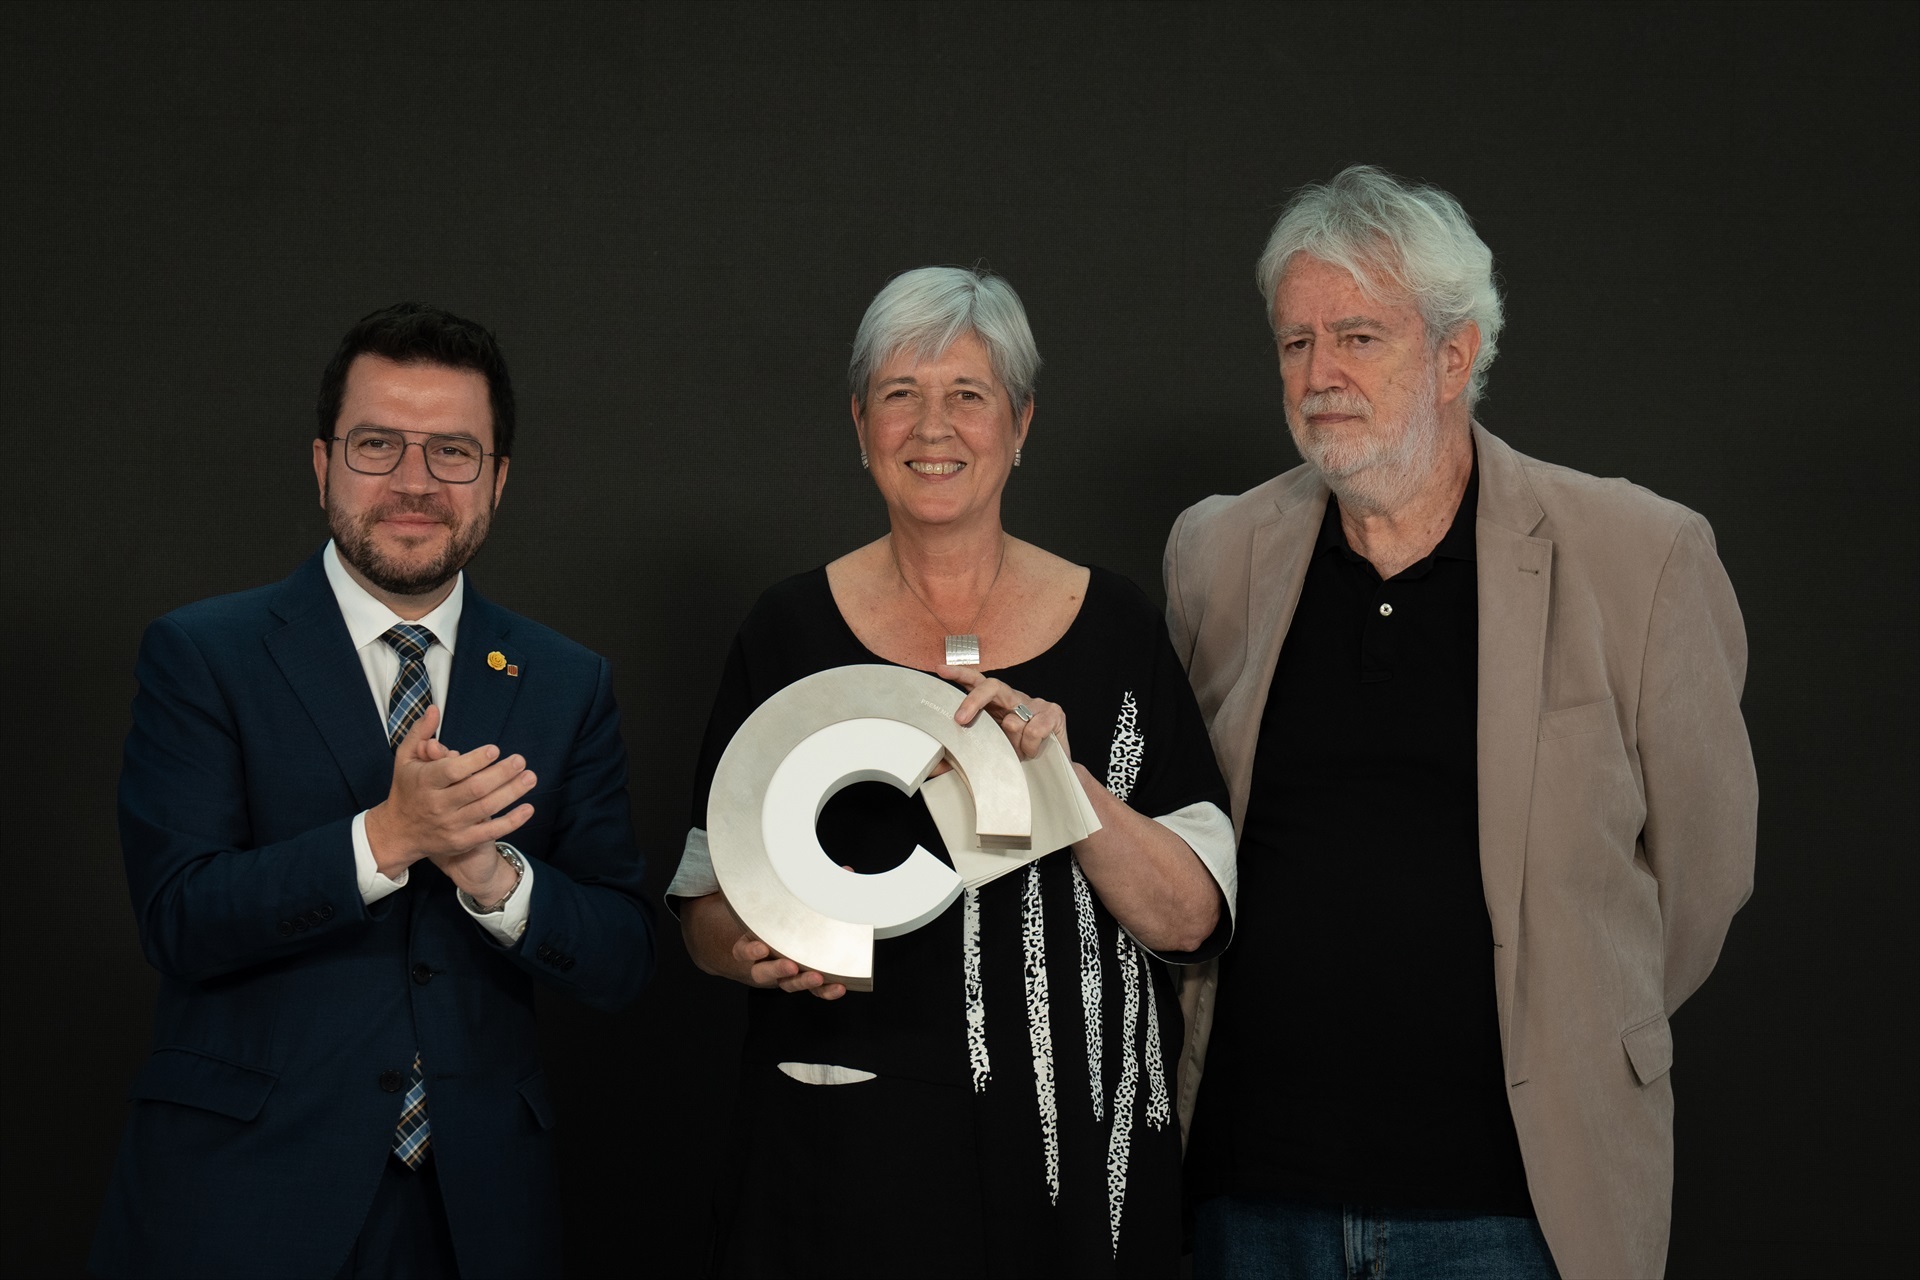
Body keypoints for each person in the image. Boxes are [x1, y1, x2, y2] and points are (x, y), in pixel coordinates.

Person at [1164, 166, 1758, 1279]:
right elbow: (1191, 838)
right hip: (1253, 1193)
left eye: (1356, 337)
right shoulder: (1217, 552)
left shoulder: (1639, 555)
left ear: (1454, 354)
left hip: (1517, 1205)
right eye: (1295, 343)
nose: (1319, 375)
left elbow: (1704, 877)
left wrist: (1576, 1005)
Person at [669, 266, 1236, 1278]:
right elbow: (702, 906)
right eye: (901, 394)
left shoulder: (1116, 631)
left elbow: (1192, 918)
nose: (933, 427)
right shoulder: (787, 630)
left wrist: (1062, 782)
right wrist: (746, 942)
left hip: (1070, 1181)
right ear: (859, 424)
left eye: (968, 395)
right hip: (836, 1164)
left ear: (1019, 423)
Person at [91, 303, 655, 1280]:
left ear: (499, 480)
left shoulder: (568, 683)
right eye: (377, 444)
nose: (414, 482)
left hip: (480, 1219)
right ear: (322, 463)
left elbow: (621, 954)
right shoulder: (205, 653)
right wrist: (385, 839)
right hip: (240, 1204)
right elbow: (177, 915)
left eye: (452, 452)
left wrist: (494, 875)